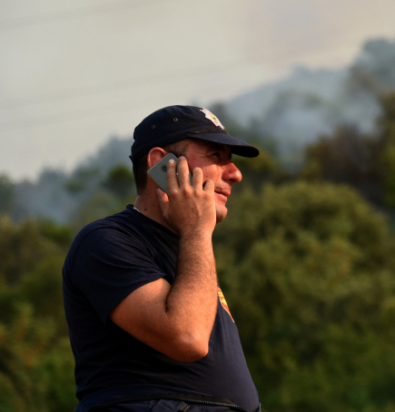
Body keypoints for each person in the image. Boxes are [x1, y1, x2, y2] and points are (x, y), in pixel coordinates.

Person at [62, 105, 261, 412]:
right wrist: (197, 228)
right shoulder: (104, 240)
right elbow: (188, 337)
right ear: (162, 164)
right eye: (215, 157)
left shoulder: (189, 249)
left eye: (231, 161)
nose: (235, 174)